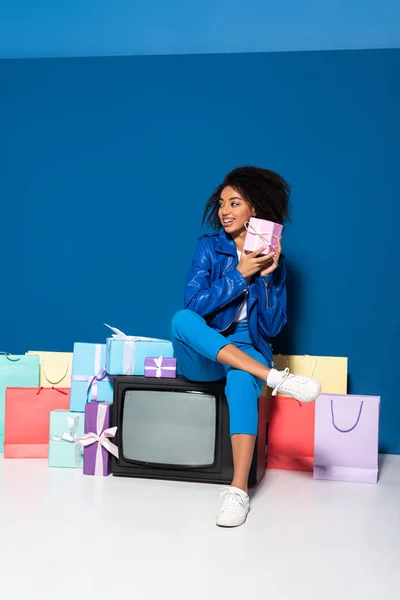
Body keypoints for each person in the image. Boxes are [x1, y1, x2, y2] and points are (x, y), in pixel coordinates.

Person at [171, 166, 321, 528]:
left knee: (240, 382)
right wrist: (240, 274)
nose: (225, 211)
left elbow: (271, 328)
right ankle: (274, 377)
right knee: (181, 319)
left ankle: (237, 492)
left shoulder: (274, 261)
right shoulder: (208, 248)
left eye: (234, 203)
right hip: (208, 349)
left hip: (248, 346)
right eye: (221, 203)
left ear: (253, 209)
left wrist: (268, 279)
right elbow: (195, 305)